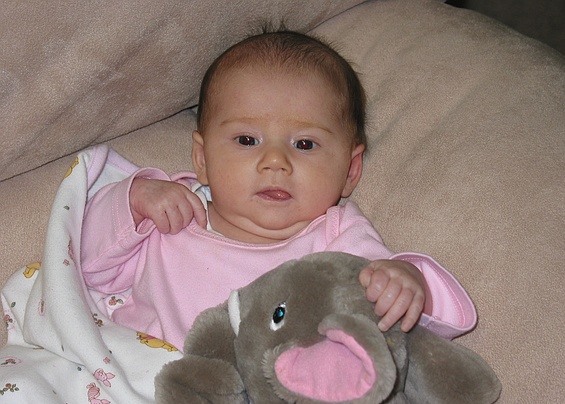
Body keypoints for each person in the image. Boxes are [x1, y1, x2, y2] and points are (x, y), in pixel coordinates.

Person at [81, 30, 475, 351]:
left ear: (350, 170)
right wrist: (135, 200)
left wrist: (409, 281)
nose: (275, 161)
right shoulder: (174, 209)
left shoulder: (337, 237)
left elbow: (412, 318)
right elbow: (88, 264)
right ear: (202, 158)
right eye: (247, 140)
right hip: (134, 384)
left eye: (304, 144)